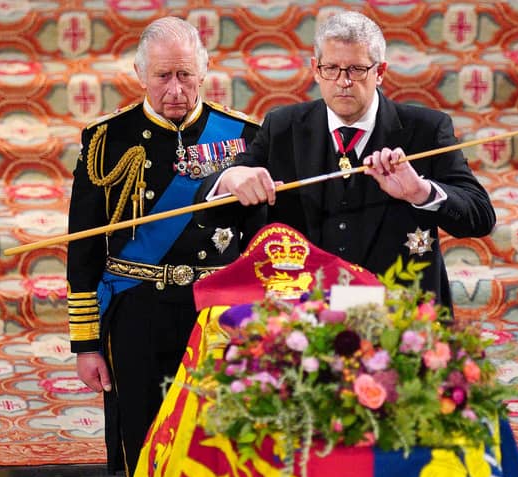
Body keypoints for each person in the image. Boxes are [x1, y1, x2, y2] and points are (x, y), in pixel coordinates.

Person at [66, 16, 261, 477]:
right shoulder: (106, 142)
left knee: (218, 437)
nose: (175, 89)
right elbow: (85, 249)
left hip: (216, 314)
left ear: (204, 70)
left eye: (185, 75)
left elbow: (259, 244)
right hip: (137, 310)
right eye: (162, 76)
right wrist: (86, 344)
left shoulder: (243, 138)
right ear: (140, 75)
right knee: (145, 433)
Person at [203, 10, 496, 311]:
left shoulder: (427, 129)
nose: (343, 82)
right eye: (332, 68)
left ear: (380, 71)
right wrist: (231, 178)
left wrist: (420, 192)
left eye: (356, 69)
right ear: (315, 69)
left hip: (397, 313)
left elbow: (481, 217)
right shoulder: (282, 127)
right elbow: (215, 200)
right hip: (304, 311)